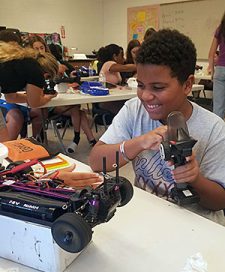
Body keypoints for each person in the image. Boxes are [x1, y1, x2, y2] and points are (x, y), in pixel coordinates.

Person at [89, 29, 225, 226]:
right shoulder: (134, 109)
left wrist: (195, 178)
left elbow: (220, 202)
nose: (145, 96)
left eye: (158, 88)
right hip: (147, 216)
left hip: (196, 225)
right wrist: (139, 143)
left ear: (187, 85)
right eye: (141, 85)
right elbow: (95, 161)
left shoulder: (214, 129)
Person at [30, 35, 96, 153]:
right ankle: (85, 139)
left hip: (56, 100)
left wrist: (68, 78)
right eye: (36, 48)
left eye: (41, 48)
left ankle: (79, 139)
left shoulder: (52, 62)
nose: (40, 51)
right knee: (78, 111)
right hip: (45, 103)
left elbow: (60, 82)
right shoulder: (31, 66)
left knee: (77, 109)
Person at [97, 43, 136, 115]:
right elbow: (126, 68)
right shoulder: (108, 64)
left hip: (113, 98)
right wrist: (142, 65)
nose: (123, 58)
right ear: (115, 56)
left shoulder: (113, 67)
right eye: (121, 55)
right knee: (130, 109)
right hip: (108, 101)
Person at [208, 12, 225, 119]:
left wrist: (213, 73)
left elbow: (211, 53)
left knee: (218, 108)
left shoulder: (220, 29)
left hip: (220, 70)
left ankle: (218, 134)